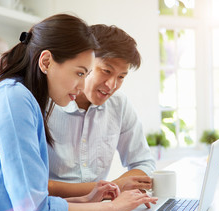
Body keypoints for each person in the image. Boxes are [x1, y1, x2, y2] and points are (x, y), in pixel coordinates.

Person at [0, 14, 157, 211]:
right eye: (80, 73)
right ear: (46, 62)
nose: (83, 84)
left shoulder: (25, 99)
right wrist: (112, 207)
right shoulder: (13, 100)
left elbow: (31, 203)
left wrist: (87, 199)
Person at [47, 24, 156, 198]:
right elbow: (35, 186)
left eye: (121, 77)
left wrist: (112, 189)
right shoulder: (45, 104)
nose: (112, 85)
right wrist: (113, 187)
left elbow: (143, 163)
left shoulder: (119, 105)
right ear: (85, 62)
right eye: (106, 71)